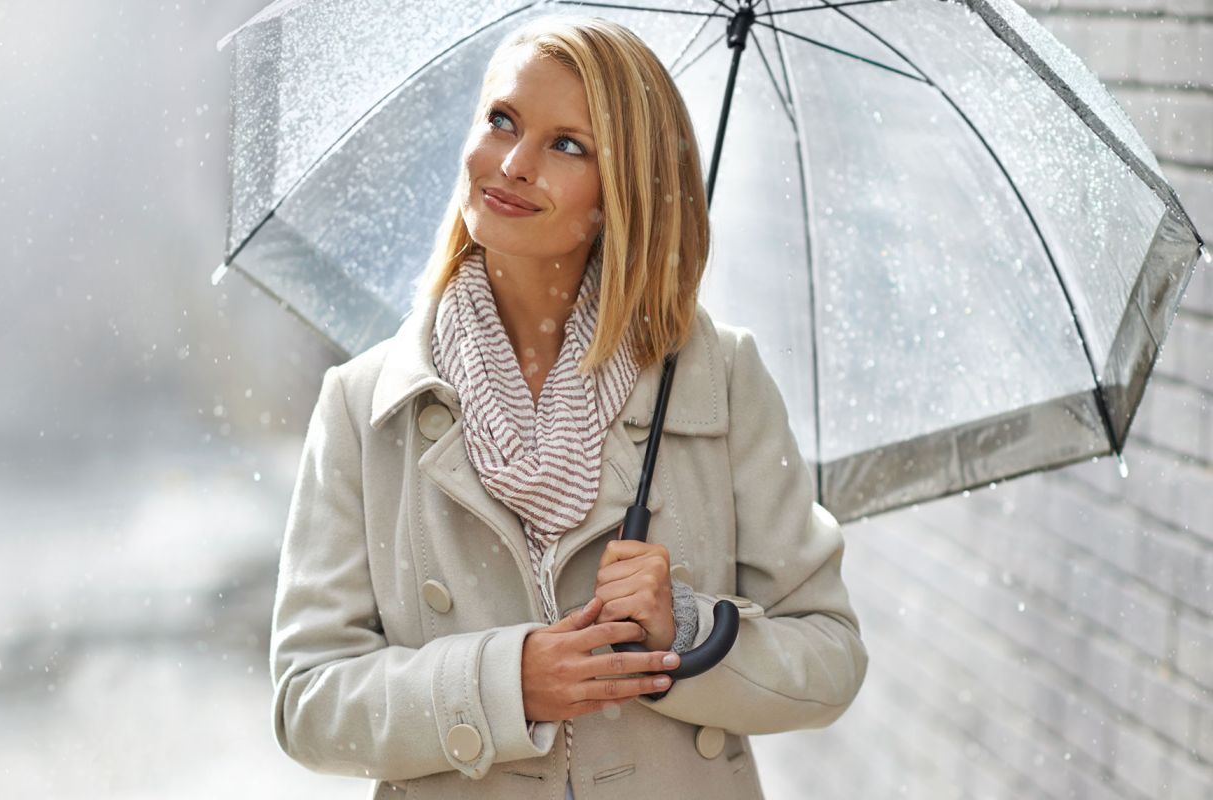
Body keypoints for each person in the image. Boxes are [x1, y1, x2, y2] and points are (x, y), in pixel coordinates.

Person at [269, 15, 868, 800]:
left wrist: (685, 630)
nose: (513, 164)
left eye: (568, 145)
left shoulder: (716, 378)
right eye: (502, 121)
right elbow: (309, 701)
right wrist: (503, 685)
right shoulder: (364, 404)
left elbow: (830, 658)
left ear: (624, 195)